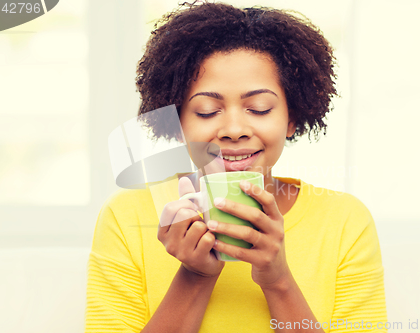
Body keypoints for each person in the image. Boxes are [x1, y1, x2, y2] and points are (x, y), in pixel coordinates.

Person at [85, 2, 387, 332]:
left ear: (292, 118)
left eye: (258, 108)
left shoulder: (344, 222)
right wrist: (195, 276)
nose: (233, 128)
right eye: (205, 111)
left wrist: (279, 280)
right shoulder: (126, 216)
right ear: (177, 124)